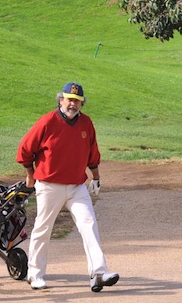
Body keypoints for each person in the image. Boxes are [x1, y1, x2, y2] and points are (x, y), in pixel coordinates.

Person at [17, 82, 119, 292]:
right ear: (61, 100)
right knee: (43, 228)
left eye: (77, 101)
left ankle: (98, 274)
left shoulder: (86, 123)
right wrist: (30, 176)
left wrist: (96, 177)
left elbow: (92, 152)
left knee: (88, 223)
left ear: (82, 103)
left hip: (76, 186)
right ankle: (35, 274)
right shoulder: (47, 122)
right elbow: (25, 150)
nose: (73, 104)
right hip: (49, 185)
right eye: (69, 99)